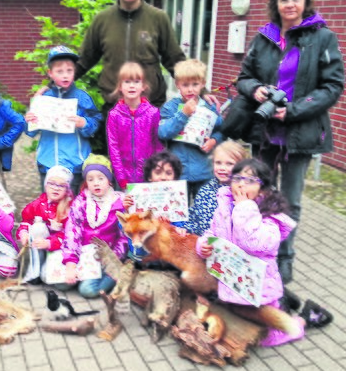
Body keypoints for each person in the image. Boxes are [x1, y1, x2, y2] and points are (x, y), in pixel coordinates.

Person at [235, 0, 345, 284]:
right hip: (264, 131)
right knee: (261, 193)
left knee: (291, 199)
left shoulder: (323, 38)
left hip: (300, 132)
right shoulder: (265, 36)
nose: (290, 4)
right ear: (276, 2)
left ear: (306, 1)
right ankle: (259, 250)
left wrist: (293, 110)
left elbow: (333, 86)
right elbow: (243, 77)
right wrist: (255, 89)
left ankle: (285, 257)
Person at [196, 159, 332, 347]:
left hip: (259, 287)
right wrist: (203, 245)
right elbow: (212, 232)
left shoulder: (271, 217)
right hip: (233, 282)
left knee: (269, 338)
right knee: (235, 322)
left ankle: (306, 317)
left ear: (263, 190)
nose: (241, 184)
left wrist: (244, 207)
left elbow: (254, 244)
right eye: (237, 178)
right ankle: (284, 298)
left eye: (250, 180)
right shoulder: (225, 205)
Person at [75, 0, 186, 153]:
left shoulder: (158, 18)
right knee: (119, 169)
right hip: (115, 111)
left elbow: (175, 60)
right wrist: (52, 88)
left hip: (150, 110)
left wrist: (199, 92)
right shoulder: (102, 20)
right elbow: (83, 61)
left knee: (150, 169)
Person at [25, 46, 101, 194]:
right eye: (60, 71)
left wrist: (84, 123)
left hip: (75, 164)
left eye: (69, 71)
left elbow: (96, 121)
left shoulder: (82, 97)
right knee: (49, 206)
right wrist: (29, 119)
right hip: (48, 163)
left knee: (75, 207)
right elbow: (31, 131)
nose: (65, 75)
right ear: (50, 73)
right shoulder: (43, 98)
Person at [61, 154, 128, 298]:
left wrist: (113, 257)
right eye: (90, 179)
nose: (96, 183)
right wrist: (71, 263)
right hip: (84, 256)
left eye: (100, 178)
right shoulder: (81, 202)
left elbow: (124, 237)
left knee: (88, 290)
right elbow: (72, 232)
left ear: (109, 180)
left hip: (108, 257)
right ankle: (85, 276)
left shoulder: (120, 202)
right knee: (61, 283)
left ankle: (118, 276)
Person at [158, 59, 223, 203]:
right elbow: (163, 133)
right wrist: (183, 114)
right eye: (185, 85)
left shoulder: (209, 106)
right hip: (178, 172)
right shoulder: (171, 107)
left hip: (204, 170)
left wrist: (214, 141)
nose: (190, 89)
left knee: (205, 212)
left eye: (195, 84)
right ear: (177, 85)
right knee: (179, 215)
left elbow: (221, 130)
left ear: (203, 84)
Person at [122, 150, 187, 265]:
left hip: (167, 260)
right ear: (150, 177)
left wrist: (170, 227)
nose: (163, 177)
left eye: (168, 173)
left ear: (175, 178)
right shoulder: (137, 198)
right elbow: (124, 229)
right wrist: (127, 210)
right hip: (141, 257)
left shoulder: (178, 203)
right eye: (158, 172)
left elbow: (181, 232)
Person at [106, 62, 164, 190]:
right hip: (123, 178)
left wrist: (155, 173)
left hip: (148, 177)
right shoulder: (114, 115)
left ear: (143, 86)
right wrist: (121, 178)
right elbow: (113, 147)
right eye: (127, 81)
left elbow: (158, 146)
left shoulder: (153, 113)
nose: (132, 86)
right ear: (120, 86)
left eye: (136, 81)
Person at [16, 165, 74, 285]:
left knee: (47, 277)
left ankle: (46, 268)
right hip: (40, 245)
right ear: (46, 185)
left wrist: (50, 243)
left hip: (61, 248)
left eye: (61, 185)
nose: (56, 188)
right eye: (52, 183)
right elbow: (26, 221)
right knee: (37, 227)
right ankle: (35, 269)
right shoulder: (37, 204)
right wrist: (23, 232)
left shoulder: (71, 208)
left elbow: (71, 234)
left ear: (67, 189)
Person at [185, 140, 249, 236]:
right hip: (206, 245)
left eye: (229, 164)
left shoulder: (244, 192)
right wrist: (185, 228)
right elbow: (196, 220)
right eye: (218, 163)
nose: (222, 168)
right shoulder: (205, 191)